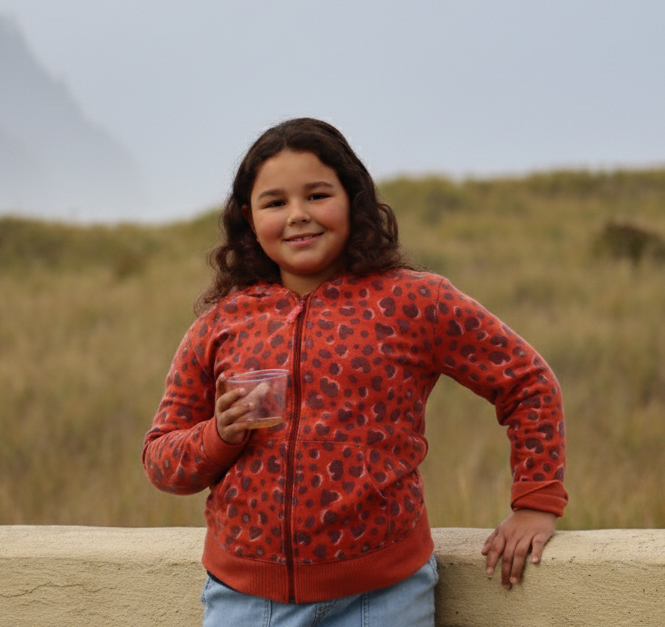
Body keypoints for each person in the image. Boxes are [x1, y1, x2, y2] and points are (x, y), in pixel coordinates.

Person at [142, 117, 567, 626]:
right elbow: (161, 460)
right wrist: (219, 435)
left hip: (383, 600)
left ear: (353, 199)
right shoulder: (221, 324)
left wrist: (535, 503)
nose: (298, 215)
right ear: (248, 219)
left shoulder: (415, 301)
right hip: (244, 602)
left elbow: (526, 382)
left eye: (317, 195)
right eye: (275, 203)